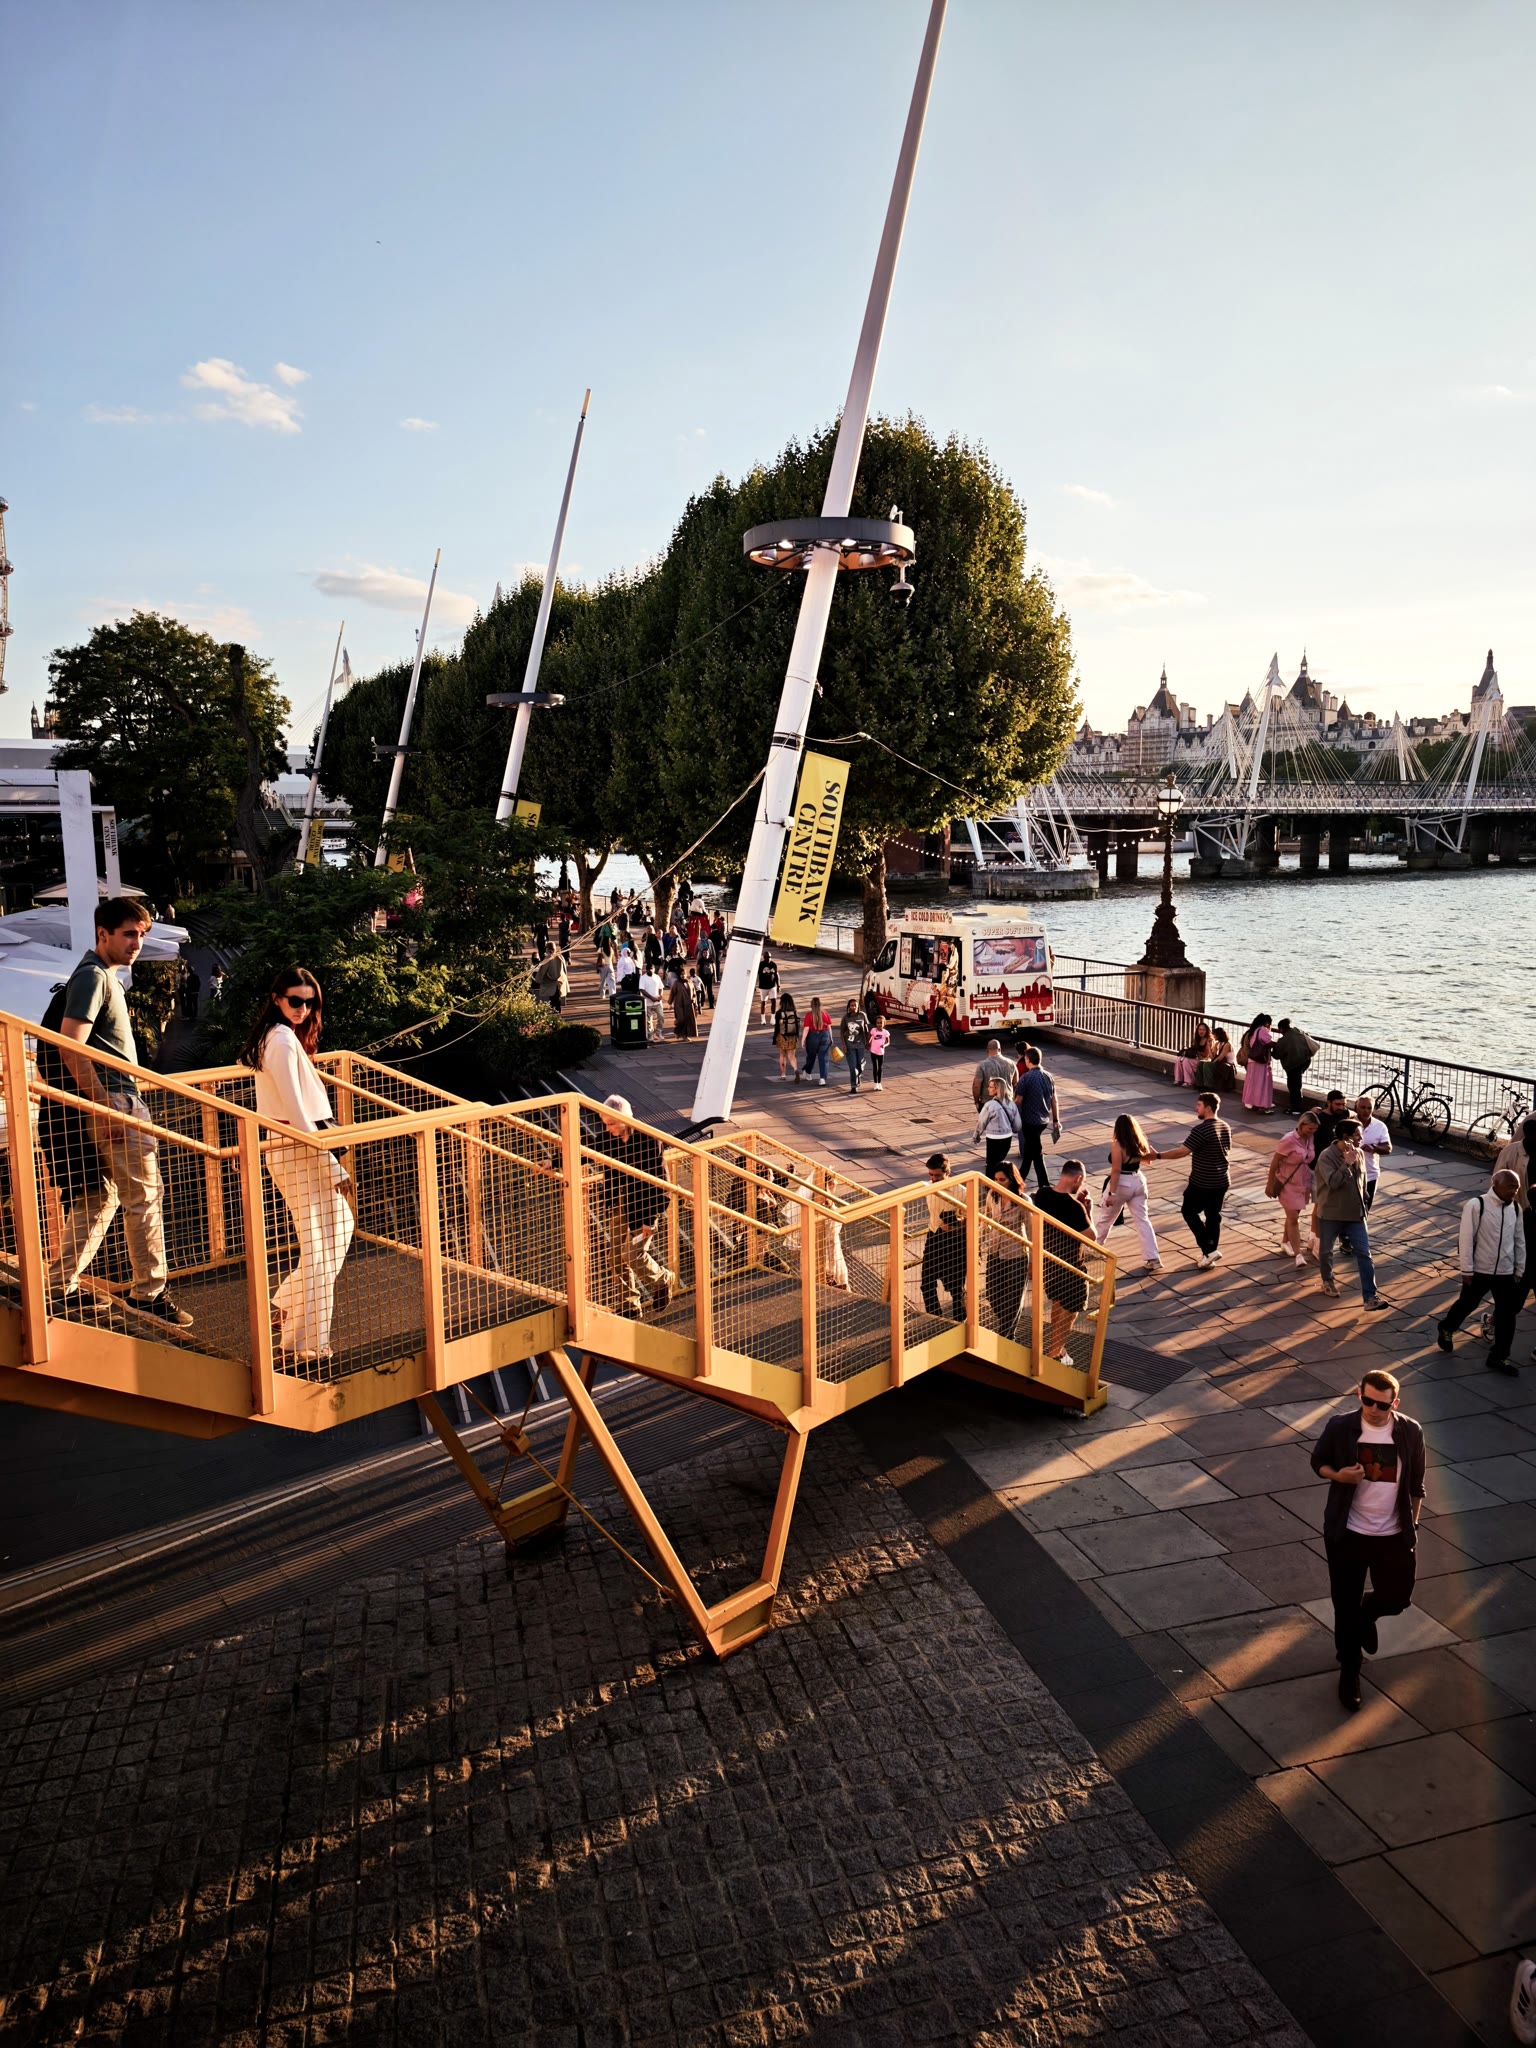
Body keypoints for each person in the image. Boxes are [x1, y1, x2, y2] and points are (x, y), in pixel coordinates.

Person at [44, 896, 193, 1329]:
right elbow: (70, 1043)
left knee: (100, 1198)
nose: (136, 943)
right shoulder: (93, 977)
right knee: (144, 1197)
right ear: (103, 933)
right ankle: (149, 1292)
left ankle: (58, 1285)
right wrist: (104, 1104)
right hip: (114, 1100)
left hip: (109, 1100)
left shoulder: (100, 976)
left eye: (141, 935)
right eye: (128, 934)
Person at [241, 968, 354, 1362]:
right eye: (295, 1000)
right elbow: (296, 1112)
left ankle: (288, 1307)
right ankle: (303, 1343)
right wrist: (333, 1167)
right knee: (322, 1246)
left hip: (293, 1147)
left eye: (309, 1002)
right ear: (277, 999)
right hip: (297, 1148)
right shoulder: (282, 1041)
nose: (302, 1009)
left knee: (333, 1235)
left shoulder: (279, 1036)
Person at [1311, 1371, 1426, 1711]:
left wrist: (1413, 1526)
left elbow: (1416, 1485)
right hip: (1347, 1533)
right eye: (1368, 1401)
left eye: (1383, 1405)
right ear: (1359, 1395)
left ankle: (1366, 1615)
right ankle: (1350, 1670)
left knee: (1398, 1597)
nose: (1374, 1409)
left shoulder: (1410, 1431)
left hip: (1393, 1533)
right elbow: (1318, 1461)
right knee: (1344, 1604)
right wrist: (1339, 1475)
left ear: (1395, 1403)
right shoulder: (1340, 1427)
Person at [592, 1096, 676, 1317]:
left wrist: (651, 1218)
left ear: (625, 1119)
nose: (608, 1129)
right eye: (605, 1124)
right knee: (615, 1257)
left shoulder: (648, 1139)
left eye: (611, 1123)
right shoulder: (608, 1138)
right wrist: (553, 1162)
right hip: (620, 1203)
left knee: (632, 1254)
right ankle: (629, 1304)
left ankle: (663, 1278)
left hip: (643, 1208)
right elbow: (584, 1149)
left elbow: (661, 1182)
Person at [1437, 1168, 1524, 1375]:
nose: (1514, 1191)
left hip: (1505, 1272)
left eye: (1516, 1188)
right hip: (1479, 1270)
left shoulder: (1516, 1208)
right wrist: (1466, 1269)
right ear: (1496, 1184)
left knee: (1507, 1315)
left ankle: (1499, 1357)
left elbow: (1519, 1240)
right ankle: (1447, 1328)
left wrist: (1519, 1268)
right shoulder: (1477, 1205)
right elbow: (1466, 1238)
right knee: (1467, 1304)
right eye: (1510, 1187)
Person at [1313, 1116, 1392, 1311]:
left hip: (1355, 1215)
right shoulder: (1327, 1156)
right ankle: (1327, 1280)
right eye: (1357, 1135)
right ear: (1345, 1137)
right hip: (1331, 1213)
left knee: (1364, 1254)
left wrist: (1365, 1201)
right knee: (1326, 1251)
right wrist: (1346, 1164)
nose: (1361, 1139)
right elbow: (1333, 1183)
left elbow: (1362, 1181)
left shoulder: (1359, 1153)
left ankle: (1370, 1297)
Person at [1160, 1091, 1231, 1270]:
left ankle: (1209, 1249)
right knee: (1213, 1217)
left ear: (1208, 1108)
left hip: (1202, 1181)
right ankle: (1209, 1255)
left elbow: (1181, 1152)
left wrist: (1158, 1155)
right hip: (1221, 1180)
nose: (1195, 1108)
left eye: (1199, 1105)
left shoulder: (1201, 1130)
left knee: (1189, 1211)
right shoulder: (1225, 1126)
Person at [1035, 1158, 1094, 1364]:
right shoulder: (1075, 1207)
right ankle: (1054, 1353)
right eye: (1082, 1180)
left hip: (1050, 1261)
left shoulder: (1042, 1194)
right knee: (1071, 1310)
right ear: (1077, 1178)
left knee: (1058, 1303)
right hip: (1071, 1264)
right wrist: (1087, 1210)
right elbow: (1091, 1237)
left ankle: (1058, 1350)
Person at [1093, 1113, 1162, 1274]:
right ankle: (1153, 1257)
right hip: (1138, 1181)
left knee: (1106, 1217)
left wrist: (1112, 1193)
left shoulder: (1118, 1144)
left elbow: (1116, 1170)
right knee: (1143, 1220)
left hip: (1122, 1183)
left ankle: (1095, 1246)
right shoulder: (1139, 1141)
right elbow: (1148, 1160)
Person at [1493, 1115, 1536, 1335]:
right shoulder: (1511, 1152)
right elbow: (1497, 1183)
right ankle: (1497, 1321)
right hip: (1520, 1220)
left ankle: (1498, 1319)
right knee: (1520, 1285)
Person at [983, 1161, 1029, 1336]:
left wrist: (1033, 1261)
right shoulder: (992, 1195)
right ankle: (1006, 1329)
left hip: (1016, 1255)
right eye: (995, 1179)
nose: (998, 1183)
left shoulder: (1023, 1201)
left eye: (1002, 1180)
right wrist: (978, 1244)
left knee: (1013, 1299)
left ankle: (1007, 1335)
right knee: (993, 1294)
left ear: (1012, 1180)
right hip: (995, 1251)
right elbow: (986, 1221)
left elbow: (1032, 1231)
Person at [1266, 1112, 1318, 1267]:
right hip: (1287, 1182)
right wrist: (1269, 1184)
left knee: (1293, 1215)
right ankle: (1298, 1255)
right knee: (1293, 1218)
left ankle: (1285, 1241)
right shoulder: (1288, 1140)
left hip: (1303, 1182)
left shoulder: (1310, 1138)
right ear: (1301, 1125)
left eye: (1315, 1129)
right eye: (1310, 1128)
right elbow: (1274, 1163)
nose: (1312, 1131)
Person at [919, 1153, 966, 1321]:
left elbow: (972, 1220)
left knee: (955, 1288)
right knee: (926, 1284)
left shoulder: (961, 1192)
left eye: (937, 1175)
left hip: (954, 1241)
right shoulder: (928, 1187)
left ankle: (960, 1322)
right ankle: (936, 1320)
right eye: (931, 1175)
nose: (933, 1179)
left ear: (948, 1173)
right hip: (933, 1236)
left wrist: (955, 1225)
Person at [1013, 1047, 1060, 1193]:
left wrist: (1010, 1114)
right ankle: (1021, 1181)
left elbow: (1018, 1101)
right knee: (1030, 1152)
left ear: (1028, 1060)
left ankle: (1043, 1186)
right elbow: (1054, 1100)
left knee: (1036, 1154)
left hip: (1029, 1121)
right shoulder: (1048, 1076)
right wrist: (1056, 1120)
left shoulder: (1026, 1078)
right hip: (1043, 1120)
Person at [974, 1075, 1020, 1174]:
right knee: (999, 1162)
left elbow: (981, 1122)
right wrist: (1012, 1129)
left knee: (991, 1164)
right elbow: (1017, 1125)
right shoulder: (1012, 1104)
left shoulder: (989, 1105)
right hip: (1007, 1137)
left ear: (997, 1089)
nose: (988, 1089)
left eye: (991, 1087)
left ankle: (990, 1182)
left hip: (993, 1138)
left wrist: (977, 1135)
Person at [1354, 1094, 1392, 1212]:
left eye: (1369, 1108)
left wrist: (1374, 1148)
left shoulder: (1380, 1126)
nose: (1366, 1111)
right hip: (1351, 1174)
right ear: (1356, 1107)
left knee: (1365, 1209)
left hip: (1370, 1174)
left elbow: (1388, 1148)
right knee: (1350, 1210)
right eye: (1363, 1107)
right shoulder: (1349, 1123)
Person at [1274, 1017, 1317, 1115]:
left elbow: (1276, 1055)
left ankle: (1296, 1108)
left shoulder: (1283, 1040)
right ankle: (1296, 1107)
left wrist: (1272, 1048)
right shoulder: (1299, 1032)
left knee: (1293, 1086)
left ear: (1281, 1028)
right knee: (1297, 1084)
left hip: (1293, 1065)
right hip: (1305, 1061)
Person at [1239, 1012, 1275, 1113]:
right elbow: (1269, 1042)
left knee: (1253, 1082)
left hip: (1253, 1060)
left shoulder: (1254, 1031)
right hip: (1260, 1061)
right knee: (1262, 1083)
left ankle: (1251, 1102)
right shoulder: (1262, 1030)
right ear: (1267, 1023)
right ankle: (1261, 1104)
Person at [971, 1038, 1018, 1110]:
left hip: (988, 1102)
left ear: (987, 1051)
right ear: (1000, 1049)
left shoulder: (982, 1065)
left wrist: (976, 1101)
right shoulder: (1011, 1063)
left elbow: (976, 1086)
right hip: (1007, 1101)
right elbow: (1015, 1083)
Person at [839, 999, 869, 1094]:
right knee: (852, 1067)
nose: (854, 1007)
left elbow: (866, 1029)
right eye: (852, 1005)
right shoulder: (846, 1018)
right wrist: (844, 1045)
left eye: (855, 1005)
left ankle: (858, 1075)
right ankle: (853, 1086)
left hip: (860, 1044)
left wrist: (868, 1042)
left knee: (859, 1066)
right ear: (849, 1007)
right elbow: (842, 1032)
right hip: (849, 1045)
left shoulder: (862, 1015)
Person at [800, 997, 833, 1086]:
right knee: (824, 1058)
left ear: (811, 1005)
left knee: (811, 1056)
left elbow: (806, 1029)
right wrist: (831, 1037)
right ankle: (822, 1078)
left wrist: (803, 1040)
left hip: (812, 1036)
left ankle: (808, 1072)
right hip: (824, 1035)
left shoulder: (809, 1015)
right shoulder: (825, 1014)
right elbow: (829, 1027)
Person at [1174, 1022, 1213, 1089]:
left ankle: (1189, 1081)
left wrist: (1198, 1052)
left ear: (1207, 1031)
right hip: (1195, 1058)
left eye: (1203, 1030)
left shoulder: (1209, 1040)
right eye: (1200, 1030)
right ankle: (1178, 1079)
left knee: (1186, 1060)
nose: (1201, 1031)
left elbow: (1207, 1055)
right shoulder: (1197, 1039)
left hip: (1202, 1060)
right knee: (1179, 1058)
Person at [772, 992, 800, 1080]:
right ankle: (795, 1069)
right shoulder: (795, 1013)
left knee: (782, 1055)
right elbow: (797, 1027)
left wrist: (774, 1038)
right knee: (791, 1056)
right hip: (792, 1037)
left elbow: (777, 1027)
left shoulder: (779, 1013)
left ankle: (783, 1074)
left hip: (782, 1037)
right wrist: (797, 1037)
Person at [668, 968, 698, 1041]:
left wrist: (694, 1000)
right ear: (679, 975)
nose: (683, 975)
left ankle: (685, 1036)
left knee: (688, 1020)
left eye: (684, 974)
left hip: (689, 1005)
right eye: (681, 974)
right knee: (681, 1020)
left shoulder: (690, 982)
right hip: (679, 1005)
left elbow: (694, 993)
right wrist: (670, 1003)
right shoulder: (676, 983)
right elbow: (672, 993)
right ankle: (677, 1031)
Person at [638, 963, 665, 1043]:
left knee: (661, 1017)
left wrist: (660, 995)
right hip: (648, 1002)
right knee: (649, 1020)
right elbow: (642, 990)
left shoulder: (657, 977)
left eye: (651, 969)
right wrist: (651, 997)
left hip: (657, 1002)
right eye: (648, 969)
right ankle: (650, 1035)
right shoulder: (643, 978)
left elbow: (661, 987)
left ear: (654, 969)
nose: (650, 970)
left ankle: (658, 1032)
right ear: (646, 970)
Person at [756, 951, 781, 1024]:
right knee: (763, 1002)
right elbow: (755, 975)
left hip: (772, 986)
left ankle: (773, 1018)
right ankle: (763, 1019)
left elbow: (776, 975)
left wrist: (778, 985)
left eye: (769, 957)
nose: (768, 959)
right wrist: (754, 985)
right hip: (763, 987)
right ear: (764, 957)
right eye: (767, 957)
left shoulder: (773, 964)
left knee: (774, 1001)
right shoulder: (760, 965)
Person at [868, 1017, 890, 1091]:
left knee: (880, 1068)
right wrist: (868, 1043)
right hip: (873, 1051)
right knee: (875, 1067)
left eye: (881, 1023)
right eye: (878, 1023)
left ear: (884, 1023)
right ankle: (875, 1083)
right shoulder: (873, 1030)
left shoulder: (885, 1032)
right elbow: (870, 1037)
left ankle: (879, 1083)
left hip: (881, 1052)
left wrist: (884, 1045)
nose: (879, 1024)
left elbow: (888, 1042)